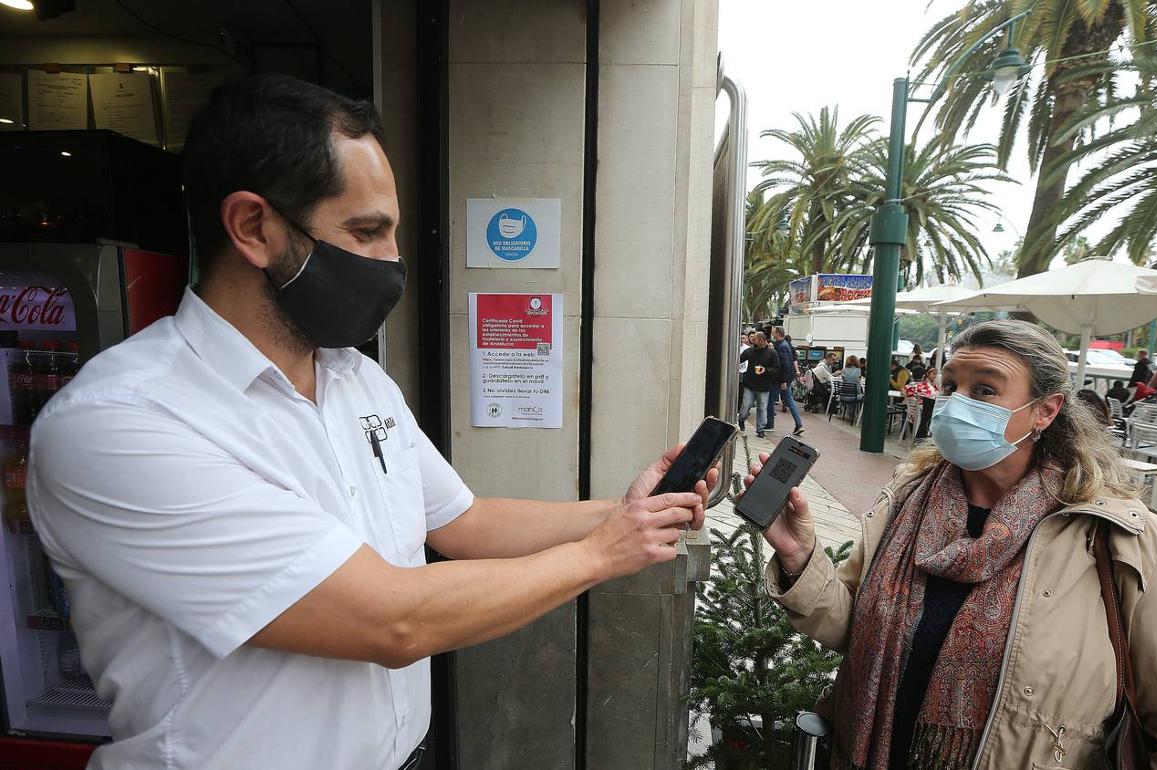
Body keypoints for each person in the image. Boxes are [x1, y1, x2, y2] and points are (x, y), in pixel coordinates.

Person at [25, 76, 713, 770]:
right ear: (253, 227)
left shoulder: (357, 379)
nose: (391, 262)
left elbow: (463, 522)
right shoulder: (123, 424)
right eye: (365, 232)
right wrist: (602, 555)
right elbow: (394, 618)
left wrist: (625, 511)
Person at [751, 319, 1157, 769]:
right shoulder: (904, 505)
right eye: (950, 386)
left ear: (1045, 411)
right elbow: (851, 627)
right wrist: (800, 558)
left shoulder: (1118, 537)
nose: (954, 403)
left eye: (984, 389)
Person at [739, 331, 779, 438]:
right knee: (746, 405)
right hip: (750, 383)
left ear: (761, 340)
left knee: (762, 407)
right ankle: (741, 419)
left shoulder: (772, 353)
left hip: (764, 385)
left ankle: (760, 429)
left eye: (755, 339)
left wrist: (765, 370)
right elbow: (739, 359)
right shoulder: (749, 351)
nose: (752, 340)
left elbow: (777, 368)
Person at [767, 326, 805, 436]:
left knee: (770, 400)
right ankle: (798, 424)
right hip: (785, 378)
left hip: (780, 379)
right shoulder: (786, 344)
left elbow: (784, 364)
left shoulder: (781, 346)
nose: (773, 334)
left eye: (774, 332)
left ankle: (770, 424)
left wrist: (783, 380)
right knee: (789, 400)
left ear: (778, 333)